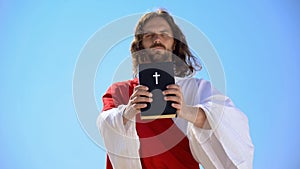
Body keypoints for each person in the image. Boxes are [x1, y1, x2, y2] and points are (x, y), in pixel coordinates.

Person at [97, 9, 254, 169]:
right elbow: (105, 123)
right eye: (149, 35)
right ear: (140, 45)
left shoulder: (196, 89)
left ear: (174, 44)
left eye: (164, 34)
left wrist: (186, 111)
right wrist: (128, 112)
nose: (157, 39)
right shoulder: (121, 90)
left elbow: (231, 120)